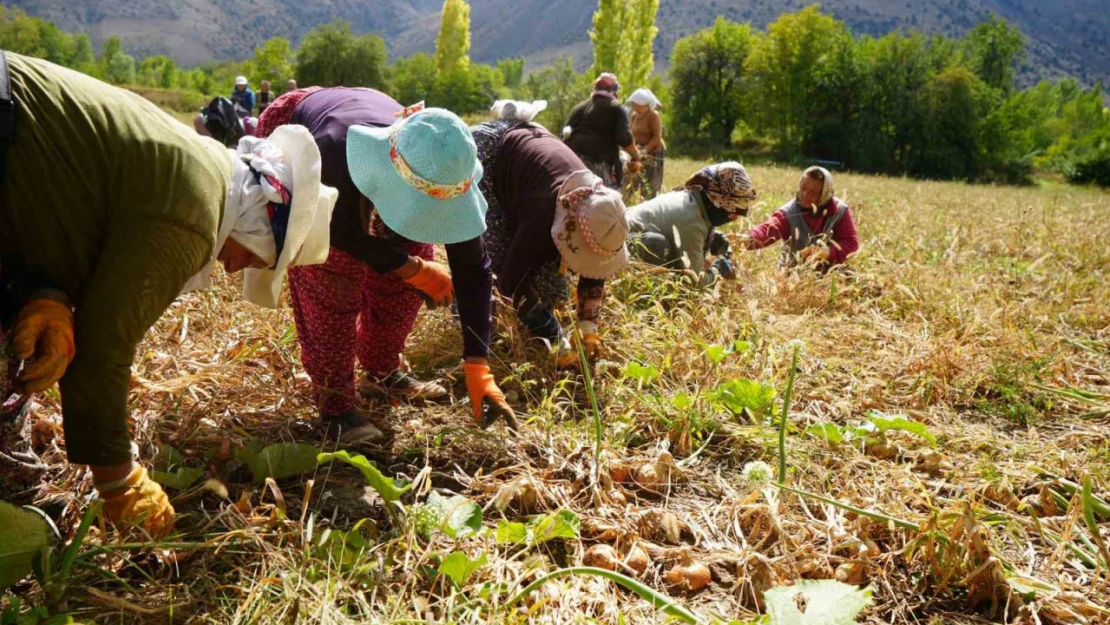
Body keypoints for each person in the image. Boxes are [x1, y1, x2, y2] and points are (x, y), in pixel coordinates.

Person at [0, 53, 338, 537]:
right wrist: (119, 480)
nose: (237, 267)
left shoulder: (200, 171)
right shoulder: (192, 214)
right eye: (260, 259)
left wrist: (44, 294)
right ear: (266, 221)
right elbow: (102, 348)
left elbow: (61, 197)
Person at [258, 92, 511, 437]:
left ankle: (381, 371)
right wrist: (407, 267)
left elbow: (473, 269)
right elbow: (331, 230)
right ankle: (336, 406)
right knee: (332, 274)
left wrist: (477, 364)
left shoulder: (448, 164)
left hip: (379, 136)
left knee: (417, 266)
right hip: (308, 134)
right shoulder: (329, 152)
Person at [471, 117, 630, 367]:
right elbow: (512, 281)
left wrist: (589, 330)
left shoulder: (601, 215)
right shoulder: (543, 217)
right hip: (493, 157)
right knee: (493, 260)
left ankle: (537, 325)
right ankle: (474, 334)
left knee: (552, 289)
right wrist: (557, 339)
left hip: (533, 175)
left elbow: (595, 266)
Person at [627, 163, 756, 287]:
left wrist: (709, 238)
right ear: (716, 202)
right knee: (657, 245)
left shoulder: (693, 200)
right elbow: (695, 281)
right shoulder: (691, 219)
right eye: (733, 211)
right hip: (617, 250)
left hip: (621, 239)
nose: (734, 218)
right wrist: (717, 271)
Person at [737, 166, 859, 268]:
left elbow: (851, 243)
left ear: (825, 193)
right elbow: (768, 230)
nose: (805, 195)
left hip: (831, 273)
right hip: (794, 273)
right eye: (803, 188)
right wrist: (746, 239)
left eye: (814, 192)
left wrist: (828, 252)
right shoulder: (789, 212)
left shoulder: (839, 211)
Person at [564, 73, 642, 189]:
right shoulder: (617, 108)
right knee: (601, 200)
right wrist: (636, 155)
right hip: (598, 165)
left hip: (572, 164)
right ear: (614, 90)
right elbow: (624, 138)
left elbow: (565, 135)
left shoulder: (578, 108)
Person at [626, 88, 665, 199]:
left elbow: (657, 137)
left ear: (644, 104)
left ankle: (648, 202)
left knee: (650, 184)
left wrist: (645, 150)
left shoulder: (653, 115)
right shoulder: (634, 115)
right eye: (633, 104)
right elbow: (631, 133)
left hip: (653, 153)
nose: (634, 106)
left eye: (636, 104)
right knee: (633, 181)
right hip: (638, 152)